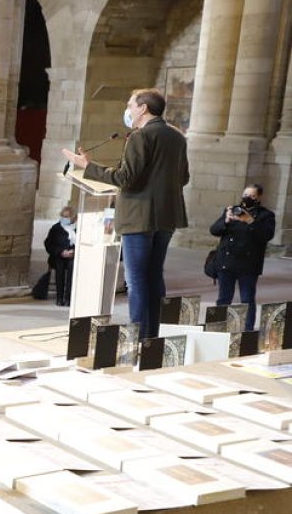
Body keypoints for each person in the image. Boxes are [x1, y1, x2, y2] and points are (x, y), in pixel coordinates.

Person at [63, 88, 189, 338]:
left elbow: (126, 179)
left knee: (137, 280)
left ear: (143, 108)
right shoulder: (176, 138)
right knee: (154, 277)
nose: (129, 109)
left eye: (131, 105)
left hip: (138, 217)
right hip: (166, 217)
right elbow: (183, 177)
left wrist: (88, 166)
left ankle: (138, 338)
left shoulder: (140, 136)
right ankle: (151, 336)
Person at [210, 184, 275, 332]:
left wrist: (250, 221)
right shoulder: (232, 210)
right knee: (223, 299)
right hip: (227, 263)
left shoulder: (266, 215)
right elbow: (214, 230)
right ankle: (218, 330)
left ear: (258, 198)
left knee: (247, 300)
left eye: (252, 196)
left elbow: (266, 236)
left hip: (248, 265)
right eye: (245, 194)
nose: (247, 198)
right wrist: (226, 220)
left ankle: (247, 331)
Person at [44, 206, 78, 307]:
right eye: (63, 216)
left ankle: (68, 297)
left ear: (74, 218)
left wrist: (74, 251)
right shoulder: (56, 228)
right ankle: (59, 297)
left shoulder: (79, 229)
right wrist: (61, 252)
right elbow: (48, 244)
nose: (65, 219)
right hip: (58, 256)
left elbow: (82, 243)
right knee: (60, 266)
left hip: (73, 256)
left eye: (67, 217)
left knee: (73, 266)